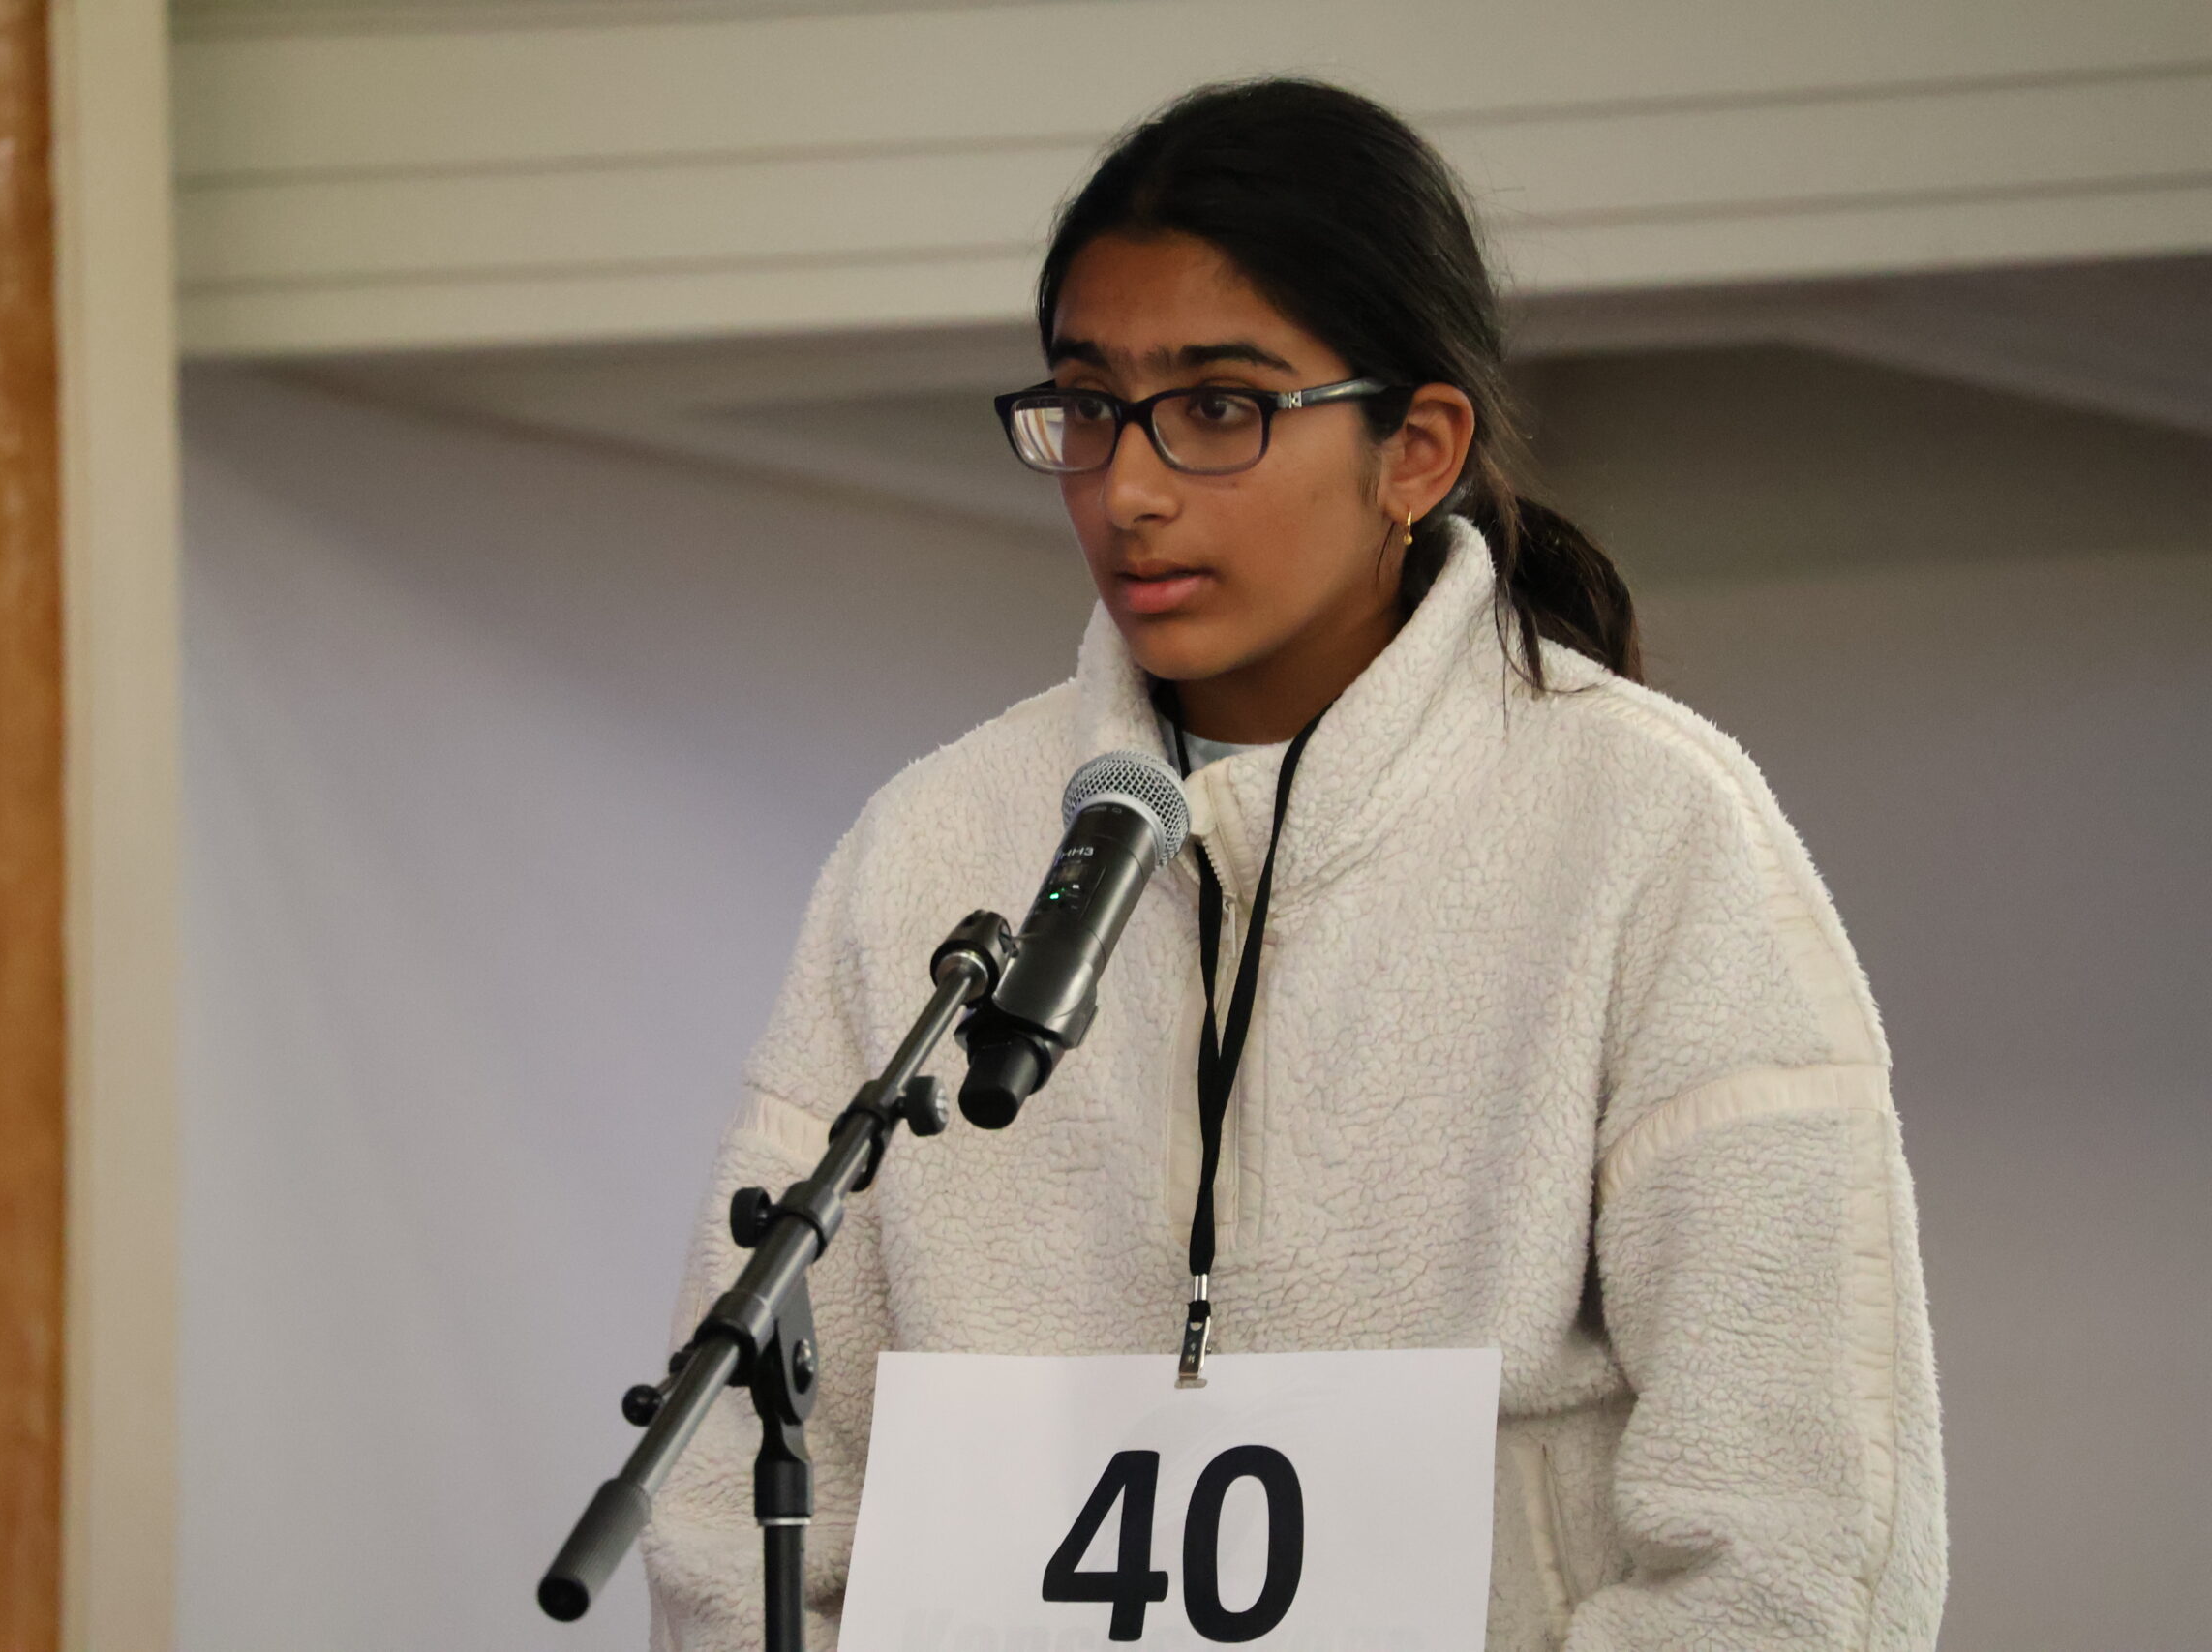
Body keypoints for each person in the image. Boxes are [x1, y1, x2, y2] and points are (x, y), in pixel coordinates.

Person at [644, 78, 1945, 1651]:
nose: (1126, 485)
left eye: (1218, 406)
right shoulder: (933, 844)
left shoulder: (1648, 827)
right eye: (1089, 405)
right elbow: (740, 1506)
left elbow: (1802, 1538)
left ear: (1417, 447)